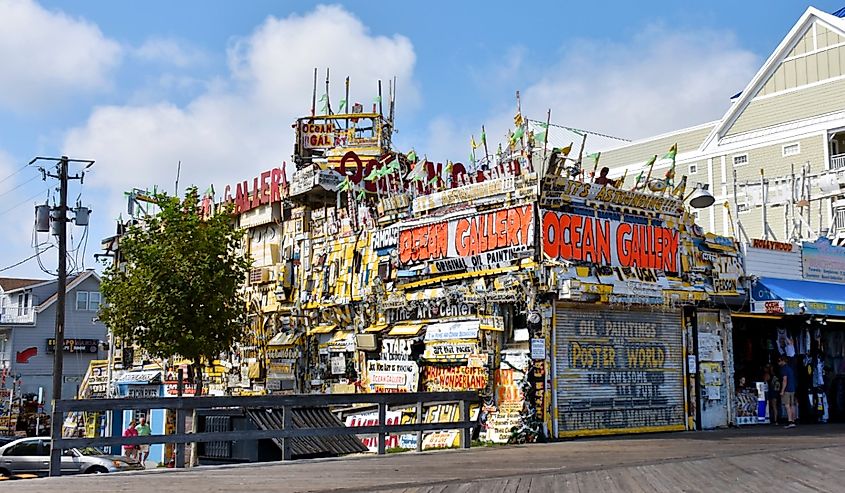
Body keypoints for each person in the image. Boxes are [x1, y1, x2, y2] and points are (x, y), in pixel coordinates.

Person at [778, 356, 797, 428]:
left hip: (787, 390)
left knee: (787, 405)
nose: (778, 362)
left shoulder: (784, 369)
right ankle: (793, 420)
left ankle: (789, 421)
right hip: (792, 389)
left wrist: (782, 391)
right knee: (792, 405)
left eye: (779, 361)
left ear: (783, 361)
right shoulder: (790, 369)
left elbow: (784, 380)